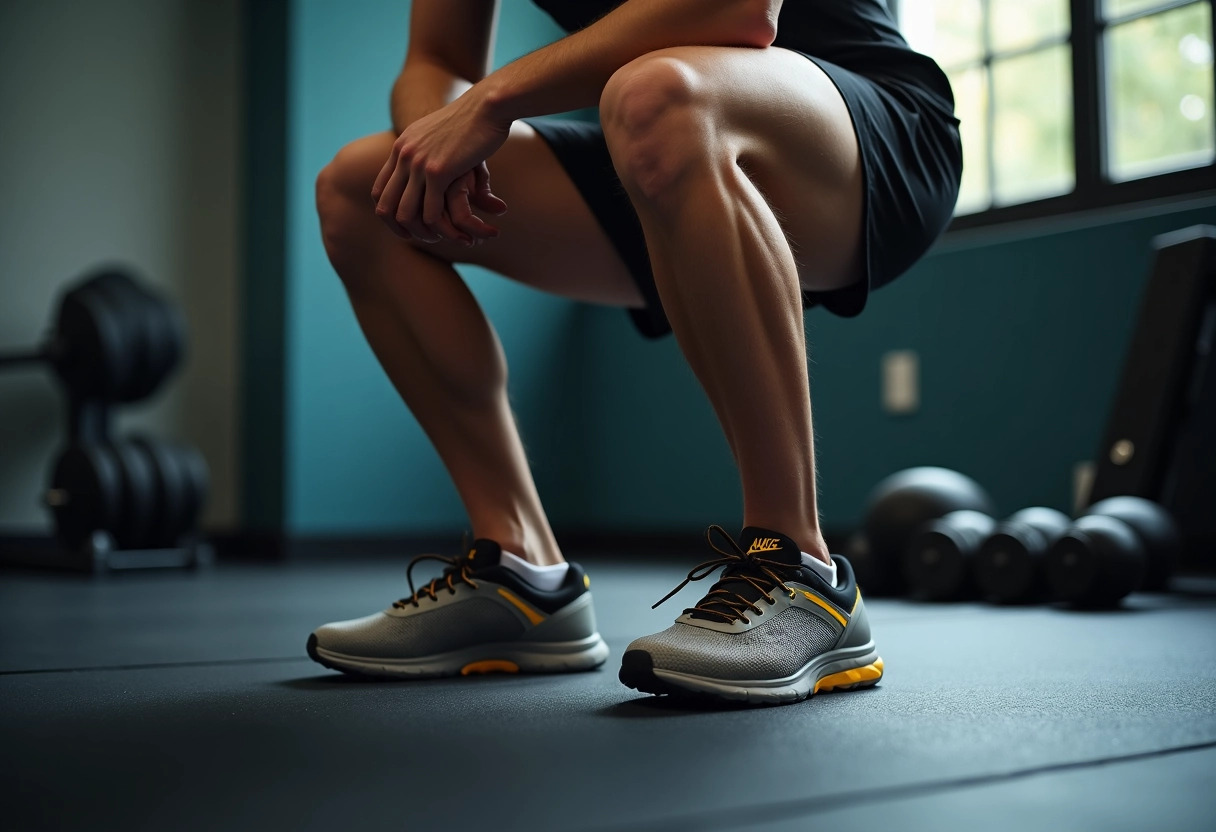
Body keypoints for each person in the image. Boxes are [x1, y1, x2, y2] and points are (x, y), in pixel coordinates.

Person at [308, 0, 961, 704]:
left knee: (653, 92)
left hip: (861, 133)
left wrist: (493, 100)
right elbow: (436, 64)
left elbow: (739, 12)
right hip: (658, 138)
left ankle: (798, 566)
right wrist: (432, 150)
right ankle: (521, 576)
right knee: (362, 188)